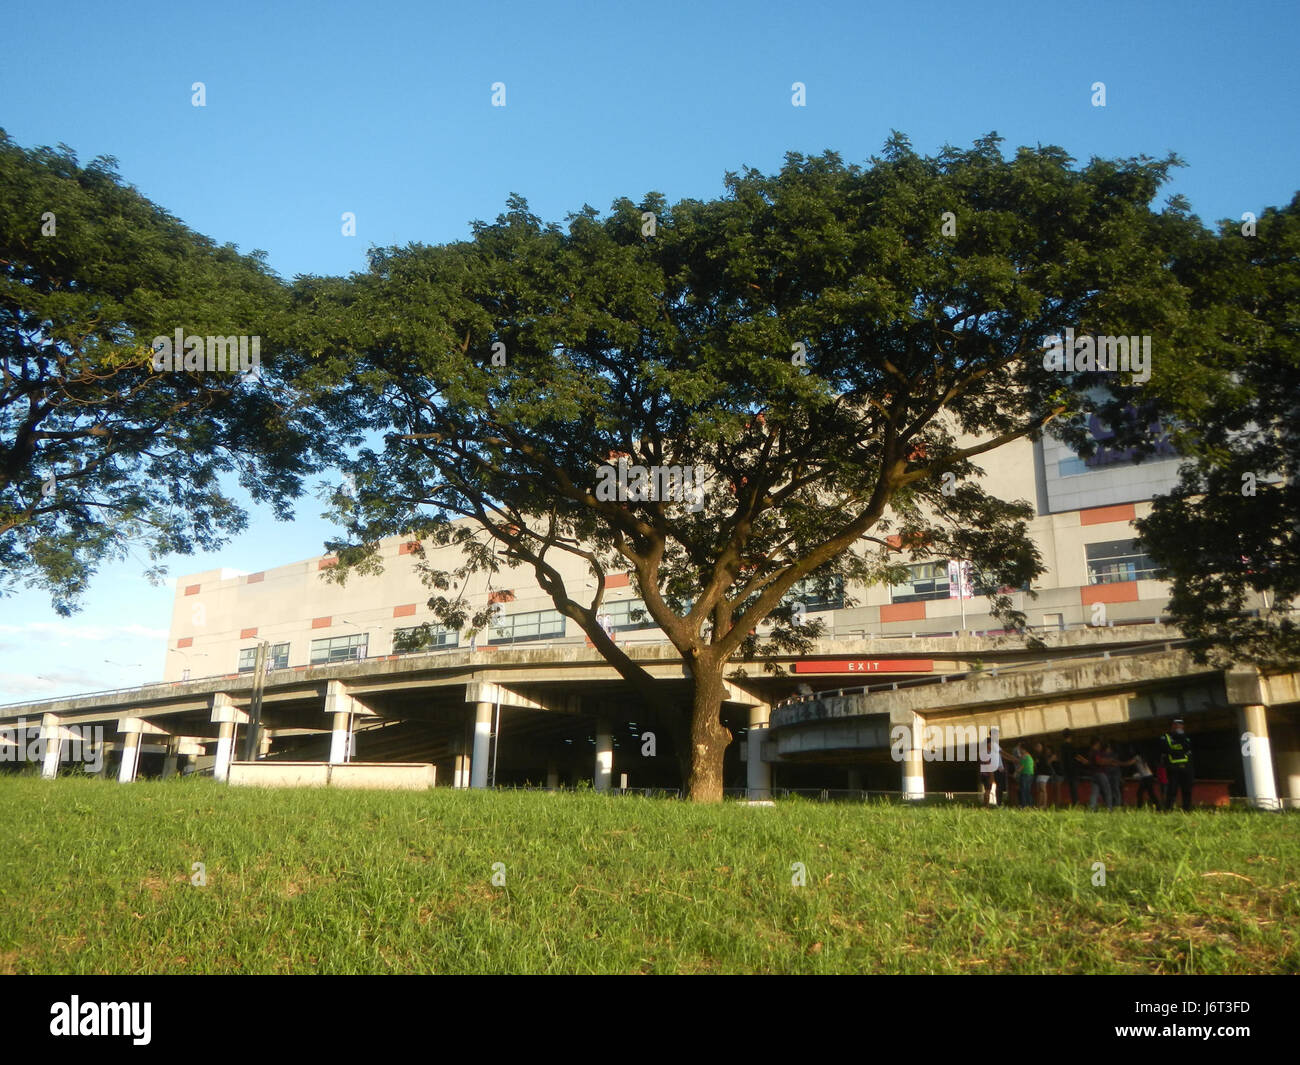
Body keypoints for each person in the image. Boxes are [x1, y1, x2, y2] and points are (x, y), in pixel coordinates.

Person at [1161, 718, 1195, 811]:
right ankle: (1169, 809)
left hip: (1186, 768)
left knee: (1187, 790)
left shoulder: (1186, 737)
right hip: (1173, 768)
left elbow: (1188, 747)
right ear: (1172, 726)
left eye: (1180, 724)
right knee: (1172, 789)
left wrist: (1181, 737)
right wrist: (1179, 751)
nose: (1178, 726)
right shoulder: (1166, 737)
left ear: (1183, 726)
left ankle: (1186, 810)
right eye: (1175, 724)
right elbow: (1166, 749)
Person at [978, 726, 1003, 806]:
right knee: (988, 790)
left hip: (985, 773)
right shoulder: (988, 752)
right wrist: (991, 775)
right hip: (988, 773)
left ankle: (986, 805)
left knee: (987, 790)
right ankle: (987, 806)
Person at [1087, 738, 1114, 811]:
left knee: (1094, 793)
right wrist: (1109, 761)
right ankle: (1109, 808)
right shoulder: (1095, 752)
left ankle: (1092, 808)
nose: (1099, 745)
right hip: (1100, 773)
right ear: (1096, 743)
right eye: (1099, 743)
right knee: (1107, 791)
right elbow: (1099, 761)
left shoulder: (1090, 752)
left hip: (1093, 774)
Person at [1060, 729, 1082, 805]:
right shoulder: (1072, 746)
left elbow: (1062, 759)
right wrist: (1084, 761)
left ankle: (1074, 803)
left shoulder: (1062, 747)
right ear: (1070, 736)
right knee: (1075, 788)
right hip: (1074, 769)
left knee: (1071, 788)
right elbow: (1077, 756)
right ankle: (1076, 803)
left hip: (1067, 770)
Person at [1035, 742, 1054, 807]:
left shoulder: (1043, 755)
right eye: (1037, 746)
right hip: (1040, 773)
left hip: (1045, 773)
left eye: (1039, 746)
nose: (1037, 748)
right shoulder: (1037, 755)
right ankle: (1039, 804)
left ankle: (1044, 804)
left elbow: (1045, 764)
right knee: (1040, 789)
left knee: (1042, 789)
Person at [1017, 743, 1036, 808]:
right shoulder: (1029, 756)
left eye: (1020, 749)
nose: (1019, 750)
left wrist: (1016, 773)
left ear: (1023, 749)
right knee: (1028, 790)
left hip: (1025, 774)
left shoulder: (1024, 756)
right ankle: (1030, 804)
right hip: (1031, 774)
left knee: (1023, 790)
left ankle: (1024, 805)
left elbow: (1021, 766)